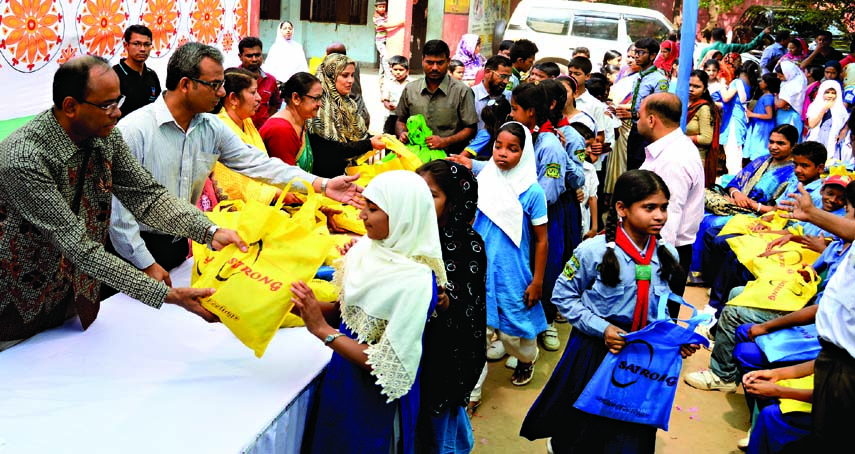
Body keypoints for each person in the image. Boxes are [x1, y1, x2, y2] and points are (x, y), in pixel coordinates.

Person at [0, 56, 248, 349]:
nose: (117, 113)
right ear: (70, 106)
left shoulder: (105, 137)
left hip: (72, 300)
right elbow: (80, 248)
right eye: (107, 105)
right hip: (14, 310)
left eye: (119, 101)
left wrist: (209, 232)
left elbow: (146, 195)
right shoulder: (23, 159)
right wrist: (168, 296)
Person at [111, 43, 363, 284]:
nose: (222, 92)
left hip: (180, 246)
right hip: (136, 252)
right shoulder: (135, 131)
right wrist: (144, 263)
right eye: (214, 85)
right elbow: (119, 213)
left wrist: (322, 185)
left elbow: (260, 165)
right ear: (186, 84)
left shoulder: (211, 128)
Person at [521, 169, 691, 453]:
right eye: (649, 208)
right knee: (587, 422)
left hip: (641, 357)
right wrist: (603, 329)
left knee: (632, 424)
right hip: (596, 351)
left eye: (663, 208)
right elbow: (563, 295)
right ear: (622, 209)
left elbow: (664, 312)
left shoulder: (667, 254)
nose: (660, 216)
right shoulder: (593, 251)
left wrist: (675, 339)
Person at [292, 171, 447, 454]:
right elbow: (348, 313)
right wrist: (304, 305)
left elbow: (389, 363)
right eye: (364, 206)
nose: (362, 215)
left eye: (373, 209)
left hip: (376, 400)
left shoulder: (415, 280)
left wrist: (323, 331)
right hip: (345, 380)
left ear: (403, 215)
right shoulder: (367, 250)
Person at [463, 122, 549, 387]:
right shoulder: (483, 180)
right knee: (477, 333)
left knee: (516, 334)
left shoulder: (532, 192)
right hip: (480, 268)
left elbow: (542, 240)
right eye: (498, 146)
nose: (502, 153)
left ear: (525, 154)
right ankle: (473, 392)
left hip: (513, 272)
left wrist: (537, 282)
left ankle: (527, 359)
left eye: (512, 149)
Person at [776, 181, 855, 452]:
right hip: (832, 355)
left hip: (845, 362)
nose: (844, 218)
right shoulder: (840, 246)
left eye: (848, 209)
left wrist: (813, 214)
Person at [414, 160, 486, 453]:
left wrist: (445, 302)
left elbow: (467, 307)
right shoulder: (411, 235)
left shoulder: (468, 244)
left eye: (430, 195)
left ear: (454, 202)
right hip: (416, 356)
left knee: (440, 433)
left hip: (445, 360)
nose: (420, 201)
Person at [688, 125, 798, 283]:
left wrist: (753, 205)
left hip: (759, 215)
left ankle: (707, 276)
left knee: (713, 223)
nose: (774, 147)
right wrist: (736, 194)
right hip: (735, 204)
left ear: (793, 146)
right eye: (771, 141)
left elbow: (780, 209)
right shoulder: (762, 160)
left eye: (780, 143)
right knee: (699, 215)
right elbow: (734, 183)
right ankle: (696, 271)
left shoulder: (794, 172)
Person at [638, 93, 704, 310]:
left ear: (651, 120)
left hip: (663, 255)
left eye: (639, 117)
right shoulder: (671, 149)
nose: (637, 122)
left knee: (657, 323)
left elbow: (667, 219)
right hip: (664, 252)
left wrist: (652, 267)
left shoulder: (673, 159)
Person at [261, 72, 382, 175]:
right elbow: (286, 179)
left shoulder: (301, 122)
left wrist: (369, 143)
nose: (320, 104)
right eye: (316, 98)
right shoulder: (281, 130)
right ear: (296, 98)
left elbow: (331, 148)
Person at [396, 40, 478, 156]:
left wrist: (445, 141)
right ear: (422, 61)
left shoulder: (462, 91)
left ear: (448, 62)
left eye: (440, 63)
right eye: (429, 62)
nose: (434, 68)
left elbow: (470, 128)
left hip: (449, 157)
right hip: (414, 156)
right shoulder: (410, 89)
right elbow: (400, 120)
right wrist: (402, 133)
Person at [211, 67, 279, 204]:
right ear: (233, 98)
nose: (259, 98)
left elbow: (261, 166)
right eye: (253, 93)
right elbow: (234, 188)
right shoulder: (220, 128)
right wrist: (275, 194)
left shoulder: (246, 121)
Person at [616, 38, 670, 171]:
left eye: (641, 53)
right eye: (635, 52)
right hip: (635, 127)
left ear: (652, 56)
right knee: (631, 162)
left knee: (641, 165)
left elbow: (657, 109)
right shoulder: (638, 76)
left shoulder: (659, 79)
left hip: (648, 130)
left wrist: (633, 114)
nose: (636, 56)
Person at [113, 25, 161, 119]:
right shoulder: (114, 75)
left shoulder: (152, 75)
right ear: (126, 45)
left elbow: (158, 107)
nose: (142, 49)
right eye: (137, 44)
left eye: (147, 44)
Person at [719, 61, 757, 174]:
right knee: (735, 152)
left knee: (733, 154)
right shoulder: (749, 84)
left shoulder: (737, 82)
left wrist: (721, 83)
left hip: (733, 120)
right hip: (740, 119)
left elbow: (726, 98)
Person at [686, 70, 722, 187]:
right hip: (682, 157)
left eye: (696, 86)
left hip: (696, 160)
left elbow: (706, 139)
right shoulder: (683, 103)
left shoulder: (704, 108)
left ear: (705, 89)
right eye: (689, 85)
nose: (691, 89)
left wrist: (682, 138)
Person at [236, 37, 281, 129]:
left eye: (257, 55)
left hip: (262, 132)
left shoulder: (270, 80)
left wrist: (266, 121)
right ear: (240, 57)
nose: (254, 59)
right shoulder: (233, 79)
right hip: (239, 131)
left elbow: (275, 104)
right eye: (249, 56)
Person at [806, 80, 849, 159]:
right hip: (817, 138)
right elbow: (811, 124)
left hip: (833, 141)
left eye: (833, 93)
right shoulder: (814, 106)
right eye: (827, 92)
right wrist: (825, 108)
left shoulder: (841, 109)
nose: (830, 95)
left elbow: (845, 124)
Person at [744, 74, 781, 162]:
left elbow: (769, 115)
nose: (760, 83)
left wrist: (752, 114)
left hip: (763, 127)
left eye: (762, 81)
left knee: (759, 150)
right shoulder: (766, 96)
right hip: (760, 125)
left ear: (767, 84)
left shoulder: (768, 98)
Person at [472, 55, 513, 132]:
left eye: (508, 77)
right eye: (502, 76)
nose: (506, 81)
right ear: (488, 72)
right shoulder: (471, 96)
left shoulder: (510, 97)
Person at [697, 26, 771, 66]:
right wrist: (762, 34)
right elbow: (750, 46)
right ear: (723, 37)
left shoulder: (705, 50)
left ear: (712, 37)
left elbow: (699, 65)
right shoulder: (730, 47)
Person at [372, 0, 404, 86]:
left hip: (386, 39)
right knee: (385, 57)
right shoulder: (376, 18)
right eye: (380, 7)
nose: (382, 8)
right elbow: (386, 26)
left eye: (383, 7)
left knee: (383, 58)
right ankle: (389, 75)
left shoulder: (386, 15)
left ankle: (381, 77)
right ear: (376, 8)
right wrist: (399, 24)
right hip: (380, 40)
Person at [775, 60, 808, 139]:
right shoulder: (792, 80)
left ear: (787, 73)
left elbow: (780, 104)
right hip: (786, 113)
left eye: (780, 76)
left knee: (786, 138)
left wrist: (775, 97)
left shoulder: (794, 85)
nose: (778, 77)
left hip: (790, 116)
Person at [381, 55, 412, 135]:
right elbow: (385, 100)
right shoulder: (388, 82)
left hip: (407, 117)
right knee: (390, 140)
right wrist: (389, 105)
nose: (398, 72)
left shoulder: (411, 83)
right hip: (392, 116)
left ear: (407, 70)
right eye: (395, 69)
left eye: (401, 70)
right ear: (391, 70)